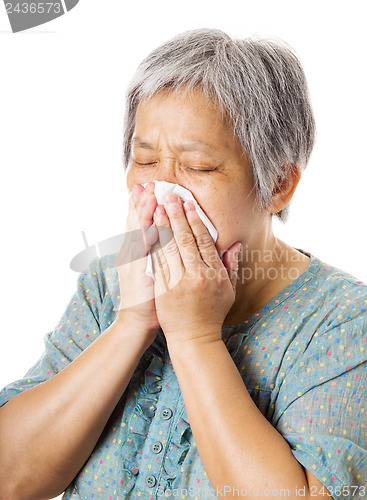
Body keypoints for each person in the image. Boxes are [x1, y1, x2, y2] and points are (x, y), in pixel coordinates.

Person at [0, 28, 366, 500]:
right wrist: (133, 322)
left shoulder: (343, 323)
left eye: (198, 167)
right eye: (145, 160)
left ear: (277, 184)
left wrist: (195, 338)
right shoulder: (108, 288)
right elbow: (10, 477)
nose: (163, 191)